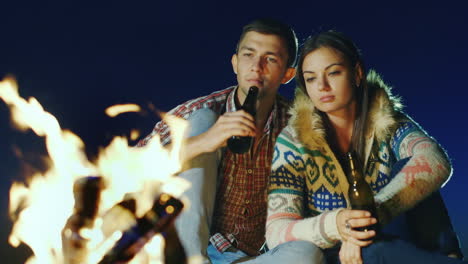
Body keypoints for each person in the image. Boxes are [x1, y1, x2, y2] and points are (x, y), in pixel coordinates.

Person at [266, 30, 465, 264]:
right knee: (374, 253)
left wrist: (374, 214)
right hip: (336, 255)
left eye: (334, 73)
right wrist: (337, 224)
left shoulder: (386, 120)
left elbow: (436, 160)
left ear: (357, 73)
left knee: (415, 168)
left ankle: (447, 256)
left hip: (391, 241)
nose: (322, 86)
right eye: (311, 78)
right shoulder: (294, 140)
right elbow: (276, 232)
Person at [137, 18, 323, 264]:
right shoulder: (198, 110)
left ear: (287, 74)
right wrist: (205, 141)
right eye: (248, 55)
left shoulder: (297, 125)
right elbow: (127, 169)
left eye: (270, 59)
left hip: (250, 257)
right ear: (235, 63)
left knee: (308, 254)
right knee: (203, 120)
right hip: (185, 250)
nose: (256, 67)